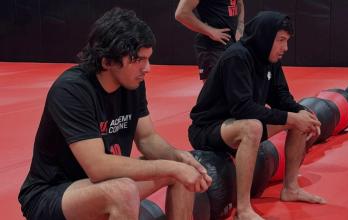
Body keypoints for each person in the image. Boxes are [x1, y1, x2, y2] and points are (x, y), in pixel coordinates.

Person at [18, 7, 211, 220]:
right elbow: (98, 167)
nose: (147, 68)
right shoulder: (71, 90)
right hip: (54, 193)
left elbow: (147, 138)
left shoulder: (133, 84)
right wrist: (171, 166)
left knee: (179, 167)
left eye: (148, 59)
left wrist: (178, 158)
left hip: (102, 182)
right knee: (124, 191)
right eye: (138, 60)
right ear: (107, 61)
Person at [188, 11, 326, 220]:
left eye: (286, 41)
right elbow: (242, 108)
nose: (285, 48)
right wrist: (291, 118)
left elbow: (281, 97)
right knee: (253, 126)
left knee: (299, 118)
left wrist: (303, 113)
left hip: (238, 123)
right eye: (280, 40)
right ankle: (243, 209)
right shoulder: (237, 56)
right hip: (209, 129)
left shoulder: (269, 58)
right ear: (265, 36)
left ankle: (291, 188)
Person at [175, 0, 245, 82]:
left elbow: (239, 3)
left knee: (234, 86)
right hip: (212, 47)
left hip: (232, 43)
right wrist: (210, 31)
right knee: (215, 90)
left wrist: (240, 27)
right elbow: (181, 13)